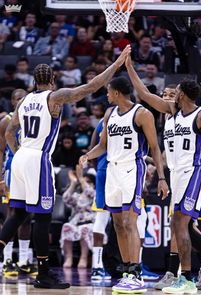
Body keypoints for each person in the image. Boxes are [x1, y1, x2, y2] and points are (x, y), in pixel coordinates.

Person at [0, 45, 131, 289]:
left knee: (17, 214)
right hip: (37, 158)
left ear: (33, 80)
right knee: (42, 217)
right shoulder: (55, 97)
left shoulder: (24, 100)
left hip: (19, 158)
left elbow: (9, 132)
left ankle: (33, 269)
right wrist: (116, 65)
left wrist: (19, 154)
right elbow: (91, 87)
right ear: (51, 79)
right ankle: (43, 274)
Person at [126, 55, 201, 293]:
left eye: (175, 91)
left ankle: (185, 278)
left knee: (179, 222)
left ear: (183, 95)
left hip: (194, 172)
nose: (172, 94)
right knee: (182, 226)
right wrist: (129, 67)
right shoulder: (170, 112)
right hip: (177, 174)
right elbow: (144, 94)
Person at [79, 76, 169, 293]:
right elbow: (103, 145)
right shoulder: (109, 114)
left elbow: (155, 148)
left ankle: (136, 273)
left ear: (117, 92)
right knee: (118, 223)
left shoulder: (142, 114)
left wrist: (162, 178)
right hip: (112, 169)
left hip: (132, 169)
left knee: (130, 222)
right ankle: (127, 270)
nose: (107, 96)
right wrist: (87, 156)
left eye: (109, 91)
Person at [0, 89, 37, 276]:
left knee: (27, 216)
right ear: (12, 102)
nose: (19, 102)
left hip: (29, 170)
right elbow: (0, 151)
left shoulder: (33, 118)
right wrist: (0, 178)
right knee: (12, 214)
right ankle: (6, 260)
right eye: (16, 99)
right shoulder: (6, 121)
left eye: (22, 99)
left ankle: (23, 260)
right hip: (11, 171)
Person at [60, 166, 96, 269]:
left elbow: (90, 192)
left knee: (84, 229)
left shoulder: (96, 194)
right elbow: (65, 198)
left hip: (91, 222)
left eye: (88, 182)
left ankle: (83, 258)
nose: (85, 184)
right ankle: (69, 257)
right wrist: (73, 183)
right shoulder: (78, 195)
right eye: (84, 182)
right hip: (77, 221)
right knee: (66, 227)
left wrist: (81, 179)